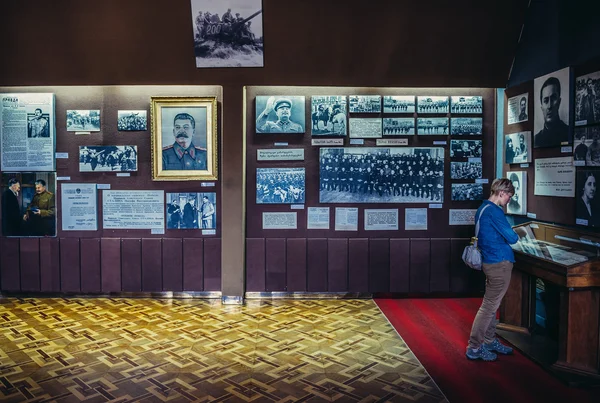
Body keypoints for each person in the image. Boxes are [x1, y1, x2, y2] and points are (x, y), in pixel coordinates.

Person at [466, 178, 518, 361]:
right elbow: (512, 238)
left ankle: (488, 340)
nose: (509, 201)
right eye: (509, 196)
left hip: (490, 261)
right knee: (489, 307)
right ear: (502, 193)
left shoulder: (483, 208)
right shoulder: (495, 212)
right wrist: (515, 233)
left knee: (491, 304)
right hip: (499, 263)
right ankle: (474, 347)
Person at [534, 77, 569, 148]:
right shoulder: (536, 139)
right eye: (546, 101)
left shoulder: (568, 132)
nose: (549, 106)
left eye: (553, 99)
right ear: (542, 108)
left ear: (559, 102)